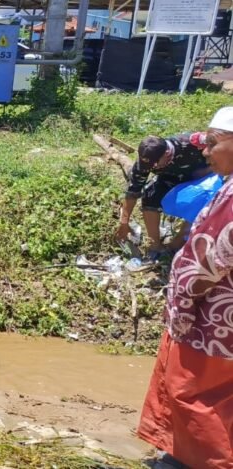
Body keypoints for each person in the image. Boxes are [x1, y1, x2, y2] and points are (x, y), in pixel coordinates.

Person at [136, 107, 233, 469]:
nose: (205, 152)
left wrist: (182, 308)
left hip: (212, 326)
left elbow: (208, 259)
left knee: (194, 398)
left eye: (212, 143)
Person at [115, 132, 209, 257]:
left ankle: (179, 243)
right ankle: (155, 245)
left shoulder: (192, 143)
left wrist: (210, 171)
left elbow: (223, 147)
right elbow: (132, 192)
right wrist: (124, 223)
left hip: (203, 178)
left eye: (154, 165)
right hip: (172, 178)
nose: (149, 168)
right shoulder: (146, 162)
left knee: (200, 201)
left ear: (166, 154)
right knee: (150, 195)